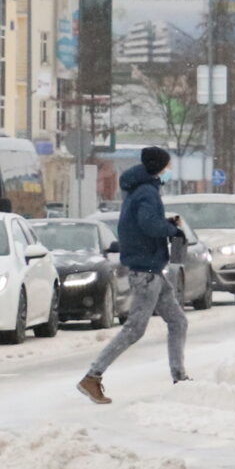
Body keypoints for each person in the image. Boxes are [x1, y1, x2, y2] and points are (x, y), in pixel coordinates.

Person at [76, 147, 190, 404]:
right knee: (134, 329)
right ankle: (92, 376)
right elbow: (149, 225)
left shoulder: (138, 190)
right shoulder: (147, 193)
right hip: (146, 271)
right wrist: (171, 230)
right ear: (157, 168)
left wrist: (166, 224)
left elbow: (145, 222)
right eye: (166, 167)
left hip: (151, 271)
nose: (168, 172)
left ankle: (179, 377)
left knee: (178, 321)